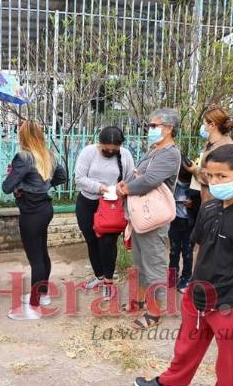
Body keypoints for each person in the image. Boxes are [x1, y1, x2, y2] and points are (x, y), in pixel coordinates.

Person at [133, 144, 233, 386]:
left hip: (229, 305)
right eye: (210, 175)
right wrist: (193, 284)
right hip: (198, 297)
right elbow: (197, 247)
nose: (215, 182)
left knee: (230, 364)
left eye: (223, 176)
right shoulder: (208, 208)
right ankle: (171, 384)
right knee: (187, 345)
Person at [117, 108, 181, 330]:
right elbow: (137, 173)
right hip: (140, 216)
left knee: (153, 265)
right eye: (150, 126)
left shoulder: (170, 153)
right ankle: (139, 301)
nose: (150, 130)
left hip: (153, 217)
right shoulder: (155, 149)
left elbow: (151, 179)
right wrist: (123, 185)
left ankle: (154, 313)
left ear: (169, 128)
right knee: (140, 263)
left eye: (154, 126)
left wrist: (125, 189)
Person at [2, 121, 67, 320]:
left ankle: (34, 307)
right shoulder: (50, 155)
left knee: (35, 258)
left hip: (30, 210)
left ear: (23, 137)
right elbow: (62, 177)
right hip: (45, 208)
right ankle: (43, 294)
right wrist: (42, 185)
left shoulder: (23, 158)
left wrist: (15, 176)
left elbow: (6, 187)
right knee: (42, 252)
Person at [73, 126, 134, 298]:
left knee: (108, 243)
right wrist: (100, 188)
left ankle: (108, 281)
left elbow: (128, 180)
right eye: (106, 148)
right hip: (87, 204)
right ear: (99, 143)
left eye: (113, 150)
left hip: (112, 206)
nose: (109, 152)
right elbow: (79, 178)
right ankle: (99, 277)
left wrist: (118, 193)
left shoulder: (126, 155)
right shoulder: (88, 152)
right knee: (91, 241)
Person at [187, 106, 233, 202]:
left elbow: (216, 176)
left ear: (212, 125)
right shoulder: (210, 144)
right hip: (204, 198)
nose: (202, 127)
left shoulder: (225, 148)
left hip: (216, 202)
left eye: (204, 123)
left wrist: (195, 170)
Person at [169, 163, 201, 293]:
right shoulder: (171, 186)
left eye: (185, 180)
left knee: (187, 253)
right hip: (175, 222)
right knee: (174, 252)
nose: (182, 183)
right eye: (180, 180)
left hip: (189, 224)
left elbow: (201, 207)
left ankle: (186, 278)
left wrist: (193, 205)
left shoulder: (196, 189)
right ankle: (172, 278)